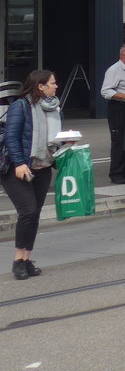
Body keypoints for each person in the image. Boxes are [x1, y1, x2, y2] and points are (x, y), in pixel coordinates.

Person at [1, 69, 62, 280]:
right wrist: (18, 163)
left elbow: (55, 137)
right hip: (18, 167)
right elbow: (11, 136)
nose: (56, 86)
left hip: (43, 165)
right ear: (40, 86)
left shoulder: (53, 107)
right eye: (52, 83)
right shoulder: (20, 106)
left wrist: (66, 143)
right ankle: (18, 261)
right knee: (27, 211)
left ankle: (27, 259)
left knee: (35, 213)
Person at [101, 42, 125, 184]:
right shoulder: (114, 70)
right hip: (119, 107)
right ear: (123, 53)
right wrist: (124, 96)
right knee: (119, 140)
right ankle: (116, 174)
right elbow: (105, 91)